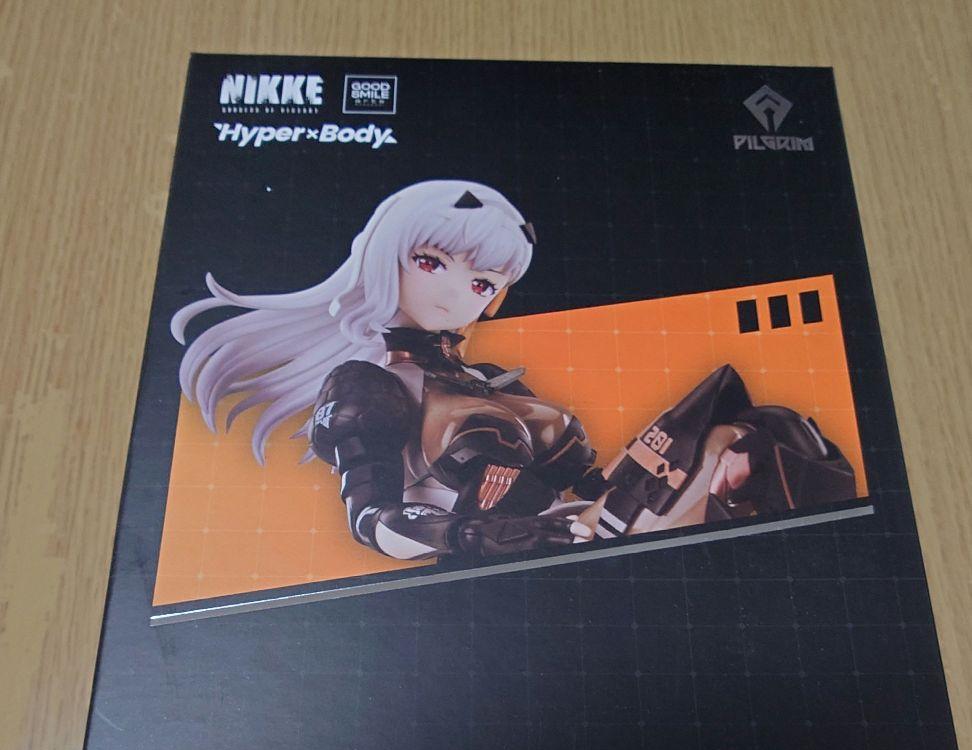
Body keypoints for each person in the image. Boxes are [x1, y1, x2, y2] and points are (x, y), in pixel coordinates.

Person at [172, 179, 854, 563]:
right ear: (387, 258)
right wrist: (472, 534)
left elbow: (586, 485)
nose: (456, 293)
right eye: (432, 263)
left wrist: (677, 469)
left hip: (587, 532)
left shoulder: (493, 381)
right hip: (510, 564)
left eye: (482, 283)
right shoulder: (366, 385)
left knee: (763, 431)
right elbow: (373, 519)